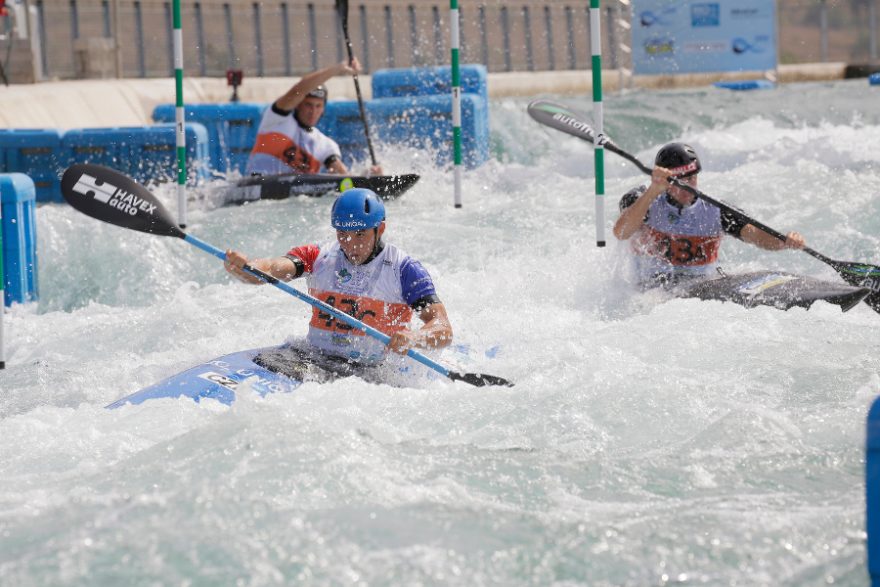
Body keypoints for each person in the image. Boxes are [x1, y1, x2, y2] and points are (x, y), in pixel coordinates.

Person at [224, 188, 452, 378]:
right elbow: (273, 268)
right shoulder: (317, 256)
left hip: (371, 370)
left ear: (380, 228)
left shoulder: (404, 270)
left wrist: (415, 338)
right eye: (342, 233)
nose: (350, 244)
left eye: (360, 234)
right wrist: (249, 268)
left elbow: (443, 328)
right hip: (314, 357)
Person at [612, 142, 806, 288]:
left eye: (691, 178)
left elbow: (754, 234)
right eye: (679, 182)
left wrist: (784, 241)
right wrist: (653, 191)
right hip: (651, 290)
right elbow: (621, 232)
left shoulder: (716, 210)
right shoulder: (641, 200)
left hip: (702, 288)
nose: (687, 187)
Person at [245, 59, 384, 177]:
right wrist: (338, 69)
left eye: (318, 106)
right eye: (308, 105)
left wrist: (367, 176)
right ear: (298, 105)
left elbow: (343, 177)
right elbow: (298, 89)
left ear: (323, 109)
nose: (313, 111)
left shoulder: (326, 145)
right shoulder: (275, 119)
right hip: (257, 184)